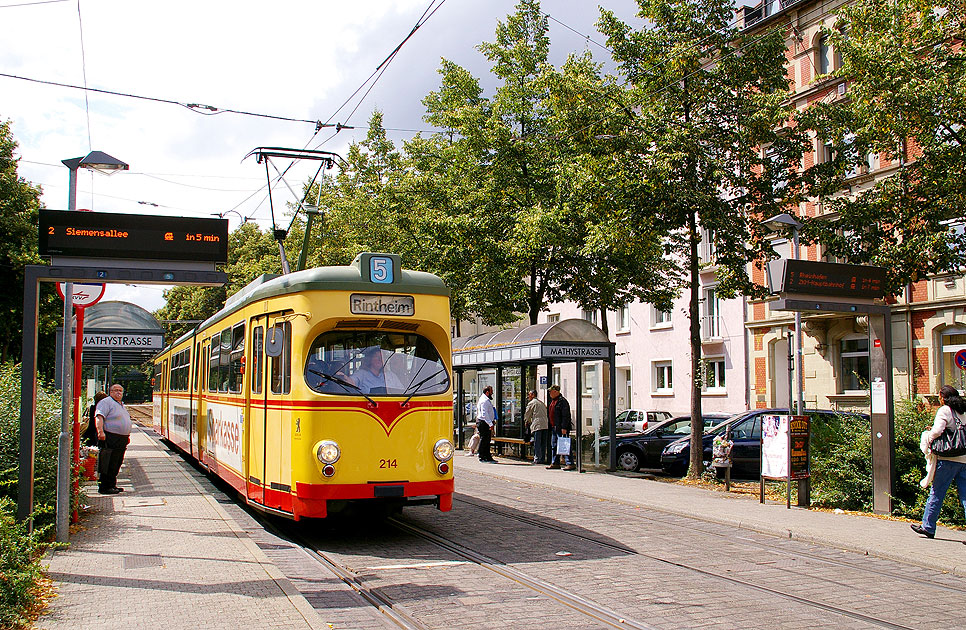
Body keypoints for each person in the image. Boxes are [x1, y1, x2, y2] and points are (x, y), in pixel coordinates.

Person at [912, 384, 966, 538]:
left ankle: (928, 526)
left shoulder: (944, 410)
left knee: (937, 493)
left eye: (940, 396)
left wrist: (928, 437)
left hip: (947, 460)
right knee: (965, 496)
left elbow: (937, 431)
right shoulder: (963, 412)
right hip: (964, 459)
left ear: (944, 397)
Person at [95, 383, 132, 495]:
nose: (118, 392)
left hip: (121, 439)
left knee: (116, 462)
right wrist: (100, 431)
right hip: (110, 437)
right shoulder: (106, 402)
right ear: (110, 392)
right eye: (115, 390)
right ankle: (105, 487)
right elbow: (99, 417)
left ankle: (112, 484)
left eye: (120, 390)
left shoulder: (120, 404)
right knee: (108, 462)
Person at [547, 384, 575, 470]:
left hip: (561, 427)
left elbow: (565, 416)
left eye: (550, 392)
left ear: (556, 392)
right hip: (554, 426)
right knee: (554, 445)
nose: (549, 393)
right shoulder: (553, 401)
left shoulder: (562, 401)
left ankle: (570, 463)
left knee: (564, 445)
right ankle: (555, 462)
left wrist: (564, 427)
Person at [524, 390, 549, 465]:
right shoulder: (542, 403)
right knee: (543, 443)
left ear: (533, 395)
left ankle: (537, 458)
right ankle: (542, 458)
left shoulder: (532, 403)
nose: (528, 396)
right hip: (545, 425)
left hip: (537, 425)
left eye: (529, 394)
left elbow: (527, 414)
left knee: (537, 442)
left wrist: (526, 421)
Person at [477, 385, 497, 463]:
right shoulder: (484, 401)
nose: (492, 393)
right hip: (484, 422)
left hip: (486, 422)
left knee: (487, 440)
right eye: (491, 391)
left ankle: (487, 456)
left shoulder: (486, 400)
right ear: (487, 392)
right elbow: (484, 414)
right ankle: (482, 456)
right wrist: (490, 424)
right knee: (484, 439)